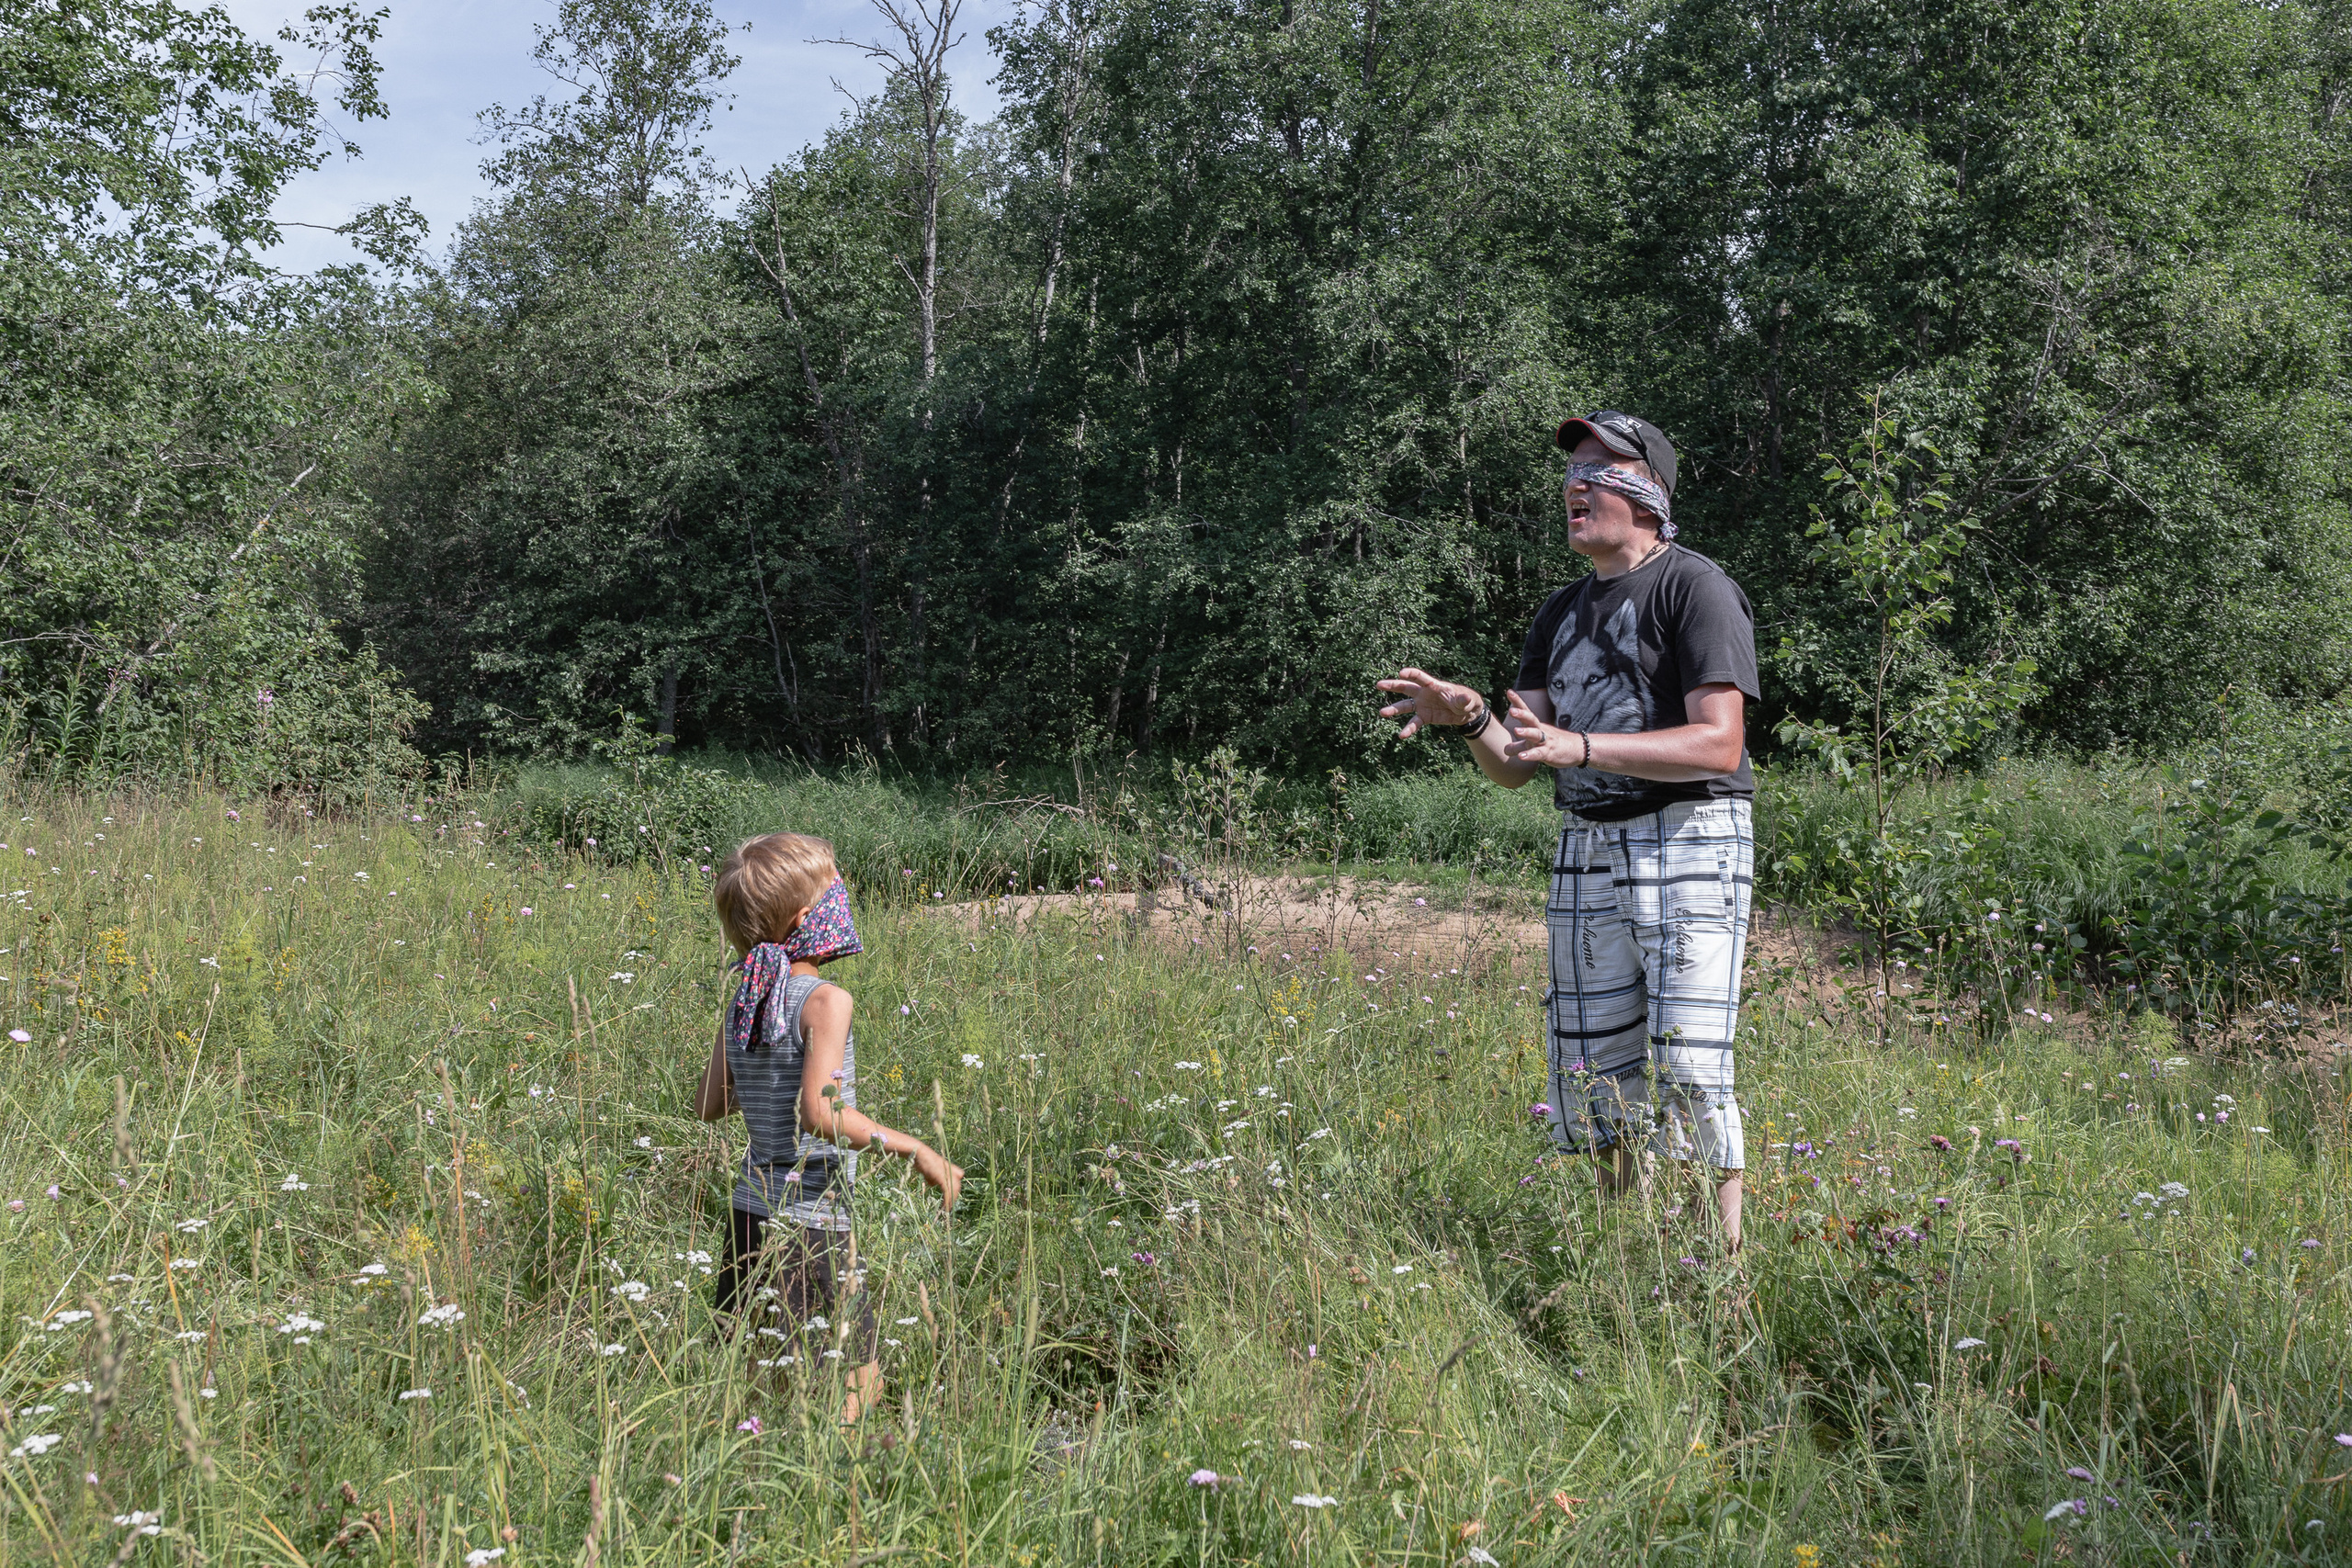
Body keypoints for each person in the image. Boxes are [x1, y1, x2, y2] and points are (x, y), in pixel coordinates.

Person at [1376, 412, 1758, 1249]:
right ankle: (1626, 1271)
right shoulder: (1558, 613)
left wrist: (1580, 745)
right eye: (1572, 471)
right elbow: (1518, 762)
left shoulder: (1695, 587)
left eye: (1600, 469)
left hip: (1691, 834)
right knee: (1595, 1070)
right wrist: (1470, 714)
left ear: (1648, 492)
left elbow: (1720, 739)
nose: (1575, 485)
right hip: (1585, 841)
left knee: (1692, 1065)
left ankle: (1719, 1282)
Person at [696, 831, 961, 1425]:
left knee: (756, 1373)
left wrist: (765, 1076)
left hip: (749, 1211)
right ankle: (844, 1494)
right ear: (806, 916)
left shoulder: (748, 995)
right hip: (813, 1216)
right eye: (833, 889)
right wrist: (916, 1147)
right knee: (857, 1379)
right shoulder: (824, 1000)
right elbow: (822, 1113)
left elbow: (710, 1103)